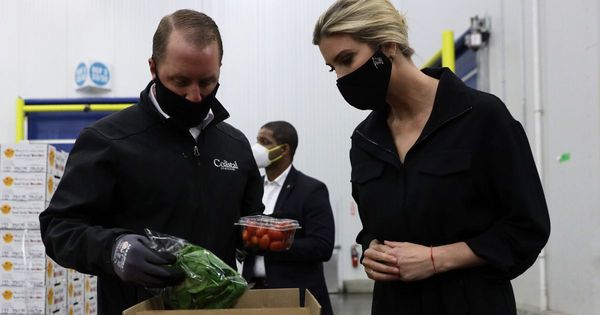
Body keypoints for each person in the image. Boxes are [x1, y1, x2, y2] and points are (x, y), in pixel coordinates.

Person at [312, 0, 551, 314]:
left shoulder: (481, 118)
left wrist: (436, 260)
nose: (341, 77)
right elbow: (373, 227)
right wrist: (372, 250)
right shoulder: (365, 140)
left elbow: (526, 227)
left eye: (347, 59)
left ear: (387, 44)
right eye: (334, 67)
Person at [39, 9, 264, 314]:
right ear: (153, 67)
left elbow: (246, 222)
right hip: (137, 307)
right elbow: (59, 228)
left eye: (208, 82)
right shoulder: (108, 140)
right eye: (181, 81)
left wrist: (258, 236)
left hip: (220, 308)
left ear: (220, 68)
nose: (195, 96)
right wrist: (113, 250)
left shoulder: (235, 145)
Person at [242, 121, 335, 315]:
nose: (256, 147)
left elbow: (322, 246)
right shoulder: (251, 187)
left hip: (294, 294)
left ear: (284, 149)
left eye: (264, 141)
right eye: (257, 140)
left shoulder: (311, 190)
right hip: (254, 292)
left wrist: (273, 242)